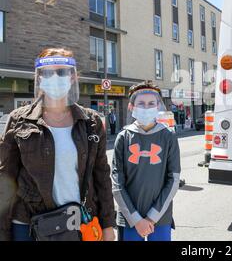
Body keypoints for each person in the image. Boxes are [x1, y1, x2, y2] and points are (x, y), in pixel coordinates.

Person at [0, 47, 116, 241]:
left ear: (72, 77)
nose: (55, 77)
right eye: (48, 72)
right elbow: (5, 178)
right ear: (39, 78)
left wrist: (107, 224)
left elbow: (101, 175)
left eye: (61, 71)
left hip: (77, 222)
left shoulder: (92, 122)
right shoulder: (19, 120)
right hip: (28, 224)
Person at [112, 81, 181, 241]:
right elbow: (117, 183)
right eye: (141, 103)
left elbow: (174, 179)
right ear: (131, 107)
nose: (146, 107)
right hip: (129, 218)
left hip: (160, 216)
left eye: (151, 103)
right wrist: (136, 219)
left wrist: (151, 218)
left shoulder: (168, 136)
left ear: (158, 106)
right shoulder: (123, 138)